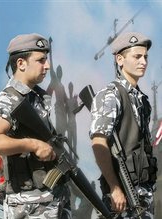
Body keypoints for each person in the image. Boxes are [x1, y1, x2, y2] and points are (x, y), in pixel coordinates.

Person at [0, 33, 71, 218]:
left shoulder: (36, 97)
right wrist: (34, 145)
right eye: (40, 60)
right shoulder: (7, 100)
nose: (47, 66)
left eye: (46, 60)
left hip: (50, 200)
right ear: (21, 64)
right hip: (28, 205)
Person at [90, 32, 157, 218]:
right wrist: (114, 187)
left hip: (143, 195)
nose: (143, 61)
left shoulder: (141, 99)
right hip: (122, 197)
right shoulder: (111, 95)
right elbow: (99, 142)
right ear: (120, 59)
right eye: (137, 56)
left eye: (145, 57)